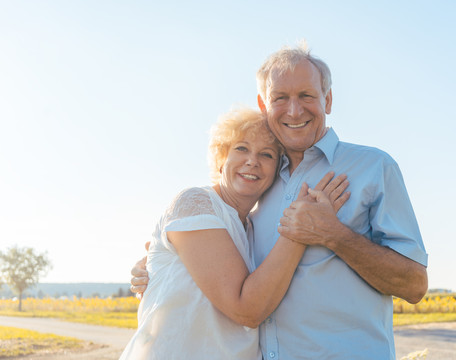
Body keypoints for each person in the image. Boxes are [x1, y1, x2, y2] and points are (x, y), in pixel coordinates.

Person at [132, 43, 428, 359]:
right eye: (280, 98)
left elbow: (414, 285)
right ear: (264, 104)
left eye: (306, 96)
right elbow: (220, 262)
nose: (294, 110)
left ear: (327, 100)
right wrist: (160, 264)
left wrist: (334, 235)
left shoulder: (374, 168)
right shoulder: (259, 187)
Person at [121, 107, 349, 360]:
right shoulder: (195, 203)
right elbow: (246, 310)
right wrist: (301, 227)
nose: (253, 160)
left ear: (277, 172)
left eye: (267, 154)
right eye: (241, 148)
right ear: (221, 158)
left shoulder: (255, 228)